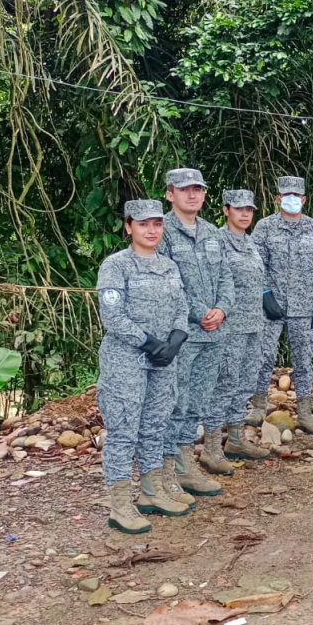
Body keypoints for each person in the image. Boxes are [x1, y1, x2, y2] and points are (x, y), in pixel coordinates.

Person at [96, 199, 190, 533]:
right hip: (127, 361)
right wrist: (150, 343)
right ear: (128, 226)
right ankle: (120, 505)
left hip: (164, 359)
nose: (151, 230)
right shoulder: (116, 265)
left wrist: (176, 341)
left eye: (157, 224)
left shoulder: (168, 265)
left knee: (156, 424)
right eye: (143, 224)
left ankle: (152, 492)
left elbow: (182, 306)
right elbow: (113, 316)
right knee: (124, 430)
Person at [156, 167, 235, 511]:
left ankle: (187, 467)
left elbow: (226, 277)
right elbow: (168, 283)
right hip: (183, 334)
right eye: (185, 189)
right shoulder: (162, 231)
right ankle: (166, 473)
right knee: (175, 399)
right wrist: (201, 311)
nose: (193, 195)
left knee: (198, 400)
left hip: (214, 332)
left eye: (198, 189)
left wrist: (222, 308)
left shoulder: (212, 233)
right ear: (170, 194)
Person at [246, 175, 313, 435]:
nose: (292, 199)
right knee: (262, 356)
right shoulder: (264, 227)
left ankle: (305, 413)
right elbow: (255, 265)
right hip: (271, 306)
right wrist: (264, 294)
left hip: (304, 306)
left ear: (304, 199)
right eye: (287, 195)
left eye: (297, 195)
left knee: (304, 360)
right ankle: (258, 407)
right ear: (278, 198)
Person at [199, 188, 271, 479]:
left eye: (249, 210)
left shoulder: (250, 243)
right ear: (226, 209)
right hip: (227, 326)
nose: (245, 214)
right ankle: (212, 449)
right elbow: (210, 281)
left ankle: (237, 440)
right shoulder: (216, 241)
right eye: (239, 208)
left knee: (245, 381)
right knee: (224, 383)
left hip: (254, 324)